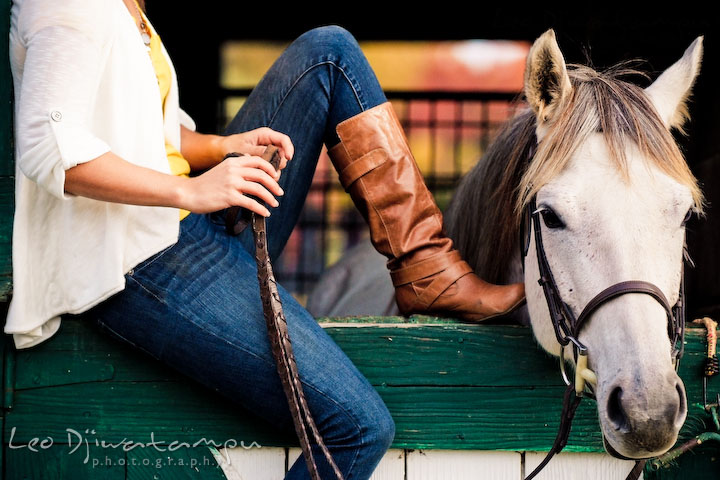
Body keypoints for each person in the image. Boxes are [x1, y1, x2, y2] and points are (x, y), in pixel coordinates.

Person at [5, 0, 525, 477]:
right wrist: (191, 192)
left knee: (330, 52)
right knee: (358, 430)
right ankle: (428, 270)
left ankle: (426, 267)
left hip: (189, 225)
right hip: (143, 258)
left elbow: (153, 131)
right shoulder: (70, 4)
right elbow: (48, 148)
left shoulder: (127, 8)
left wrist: (223, 146)